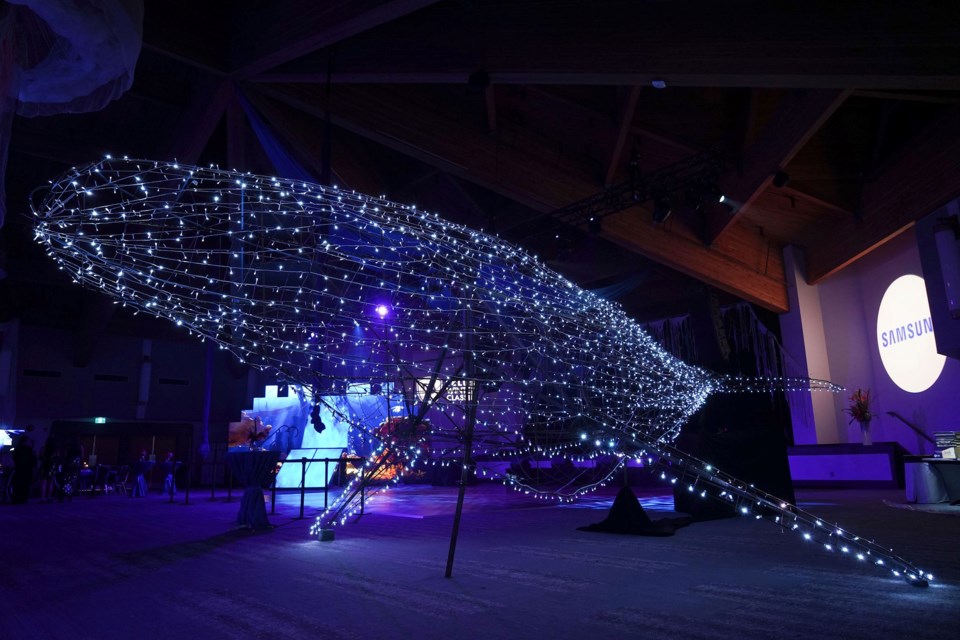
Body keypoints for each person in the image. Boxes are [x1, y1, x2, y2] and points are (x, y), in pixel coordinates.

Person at [11, 434, 37, 504]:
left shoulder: (17, 449)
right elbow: (33, 461)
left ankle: (16, 498)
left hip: (19, 469)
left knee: (18, 484)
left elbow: (15, 458)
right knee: (25, 484)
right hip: (27, 470)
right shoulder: (30, 451)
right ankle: (22, 498)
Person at [38, 435, 59, 503]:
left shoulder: (43, 449)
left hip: (44, 466)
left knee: (43, 482)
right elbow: (57, 459)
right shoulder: (55, 450)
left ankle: (42, 498)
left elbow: (40, 457)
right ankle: (49, 497)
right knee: (51, 482)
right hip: (52, 466)